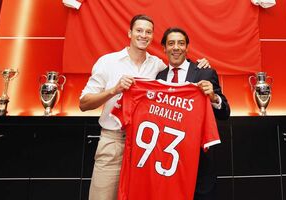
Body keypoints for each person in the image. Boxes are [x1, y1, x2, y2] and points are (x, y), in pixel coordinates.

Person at [79, 15, 209, 200]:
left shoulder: (157, 66)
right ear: (130, 33)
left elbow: (179, 74)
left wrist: (201, 66)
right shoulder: (108, 62)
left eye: (148, 32)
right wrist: (114, 90)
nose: (143, 35)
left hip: (146, 146)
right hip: (114, 142)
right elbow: (83, 103)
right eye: (139, 30)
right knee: (103, 196)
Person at [156, 27, 230, 200]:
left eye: (181, 43)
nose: (176, 47)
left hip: (199, 161)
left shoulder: (205, 72)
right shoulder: (158, 77)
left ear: (187, 48)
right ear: (164, 48)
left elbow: (225, 112)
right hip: (166, 158)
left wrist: (213, 96)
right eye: (171, 43)